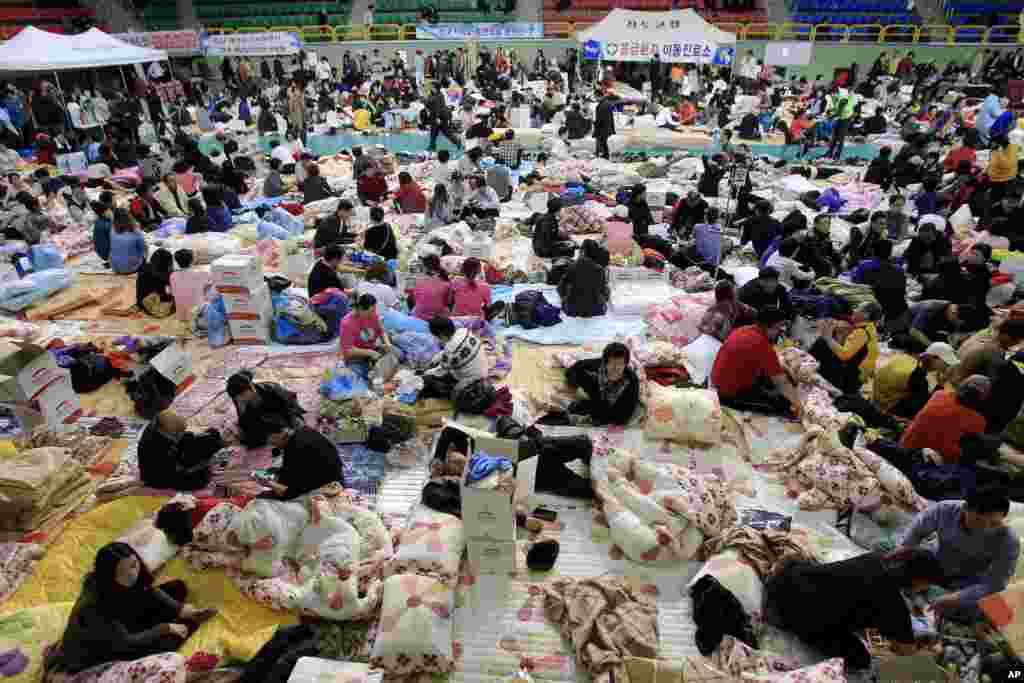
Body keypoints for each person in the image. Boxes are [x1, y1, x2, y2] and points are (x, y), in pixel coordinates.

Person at [43, 543, 217, 678]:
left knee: (176, 588)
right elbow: (126, 642)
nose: (132, 574)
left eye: (134, 565)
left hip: (120, 621)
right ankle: (181, 624)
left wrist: (181, 609)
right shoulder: (94, 605)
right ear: (109, 575)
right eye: (123, 572)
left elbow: (146, 589)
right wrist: (166, 627)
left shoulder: (122, 581)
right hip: (103, 649)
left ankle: (182, 618)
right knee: (171, 637)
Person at [764, 549, 944, 671]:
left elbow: (866, 606)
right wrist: (934, 651)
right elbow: (908, 652)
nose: (925, 589)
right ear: (919, 580)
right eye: (927, 583)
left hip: (786, 581)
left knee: (846, 603)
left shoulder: (874, 559)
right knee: (861, 659)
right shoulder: (893, 606)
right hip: (797, 615)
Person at [898, 488, 1020, 621]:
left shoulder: (1008, 540)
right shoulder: (945, 510)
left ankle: (931, 595)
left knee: (1001, 615)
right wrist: (905, 548)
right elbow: (915, 533)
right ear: (965, 508)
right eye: (978, 521)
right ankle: (925, 591)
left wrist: (956, 598)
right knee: (900, 558)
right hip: (938, 563)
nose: (985, 529)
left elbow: (995, 584)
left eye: (994, 524)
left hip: (970, 583)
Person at [711, 306, 802, 417]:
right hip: (728, 394)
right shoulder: (761, 344)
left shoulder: (744, 330)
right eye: (779, 328)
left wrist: (784, 370)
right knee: (783, 405)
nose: (781, 331)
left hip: (720, 381)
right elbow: (781, 383)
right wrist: (798, 403)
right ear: (769, 327)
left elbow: (773, 364)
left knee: (774, 383)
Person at [900, 375, 990, 464]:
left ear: (961, 386)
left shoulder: (939, 394)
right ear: (983, 398)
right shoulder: (979, 421)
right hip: (932, 465)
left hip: (904, 449)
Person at [137, 410, 223, 490]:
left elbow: (184, 437)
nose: (180, 435)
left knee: (210, 437)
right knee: (199, 478)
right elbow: (171, 471)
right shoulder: (153, 446)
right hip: (160, 476)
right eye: (177, 434)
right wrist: (196, 467)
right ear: (164, 433)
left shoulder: (163, 427)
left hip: (173, 456)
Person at [809, 302, 882, 394]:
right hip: (858, 373)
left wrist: (828, 337)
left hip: (852, 378)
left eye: (858, 308)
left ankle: (806, 370)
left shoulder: (861, 332)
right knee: (825, 344)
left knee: (822, 344)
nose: (854, 311)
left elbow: (844, 355)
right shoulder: (870, 328)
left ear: (866, 315)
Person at [260, 423, 345, 500]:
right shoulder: (303, 431)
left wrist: (268, 483)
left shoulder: (295, 448)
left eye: (272, 441)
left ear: (278, 435)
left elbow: (289, 493)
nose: (272, 445)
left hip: (328, 492)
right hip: (336, 478)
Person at [565, 342, 641, 426]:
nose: (615, 368)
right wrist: (576, 387)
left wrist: (595, 413)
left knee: (609, 417)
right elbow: (574, 368)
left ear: (625, 364)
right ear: (605, 362)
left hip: (614, 406)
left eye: (620, 364)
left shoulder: (632, 381)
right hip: (599, 392)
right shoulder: (599, 364)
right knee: (578, 374)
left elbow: (624, 416)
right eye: (612, 363)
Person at [423, 315, 488, 399]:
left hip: (474, 380)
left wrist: (426, 372)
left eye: (436, 337)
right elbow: (451, 350)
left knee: (432, 381)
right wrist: (435, 359)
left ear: (441, 335)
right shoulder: (464, 331)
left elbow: (440, 371)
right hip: (483, 369)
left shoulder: (450, 349)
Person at [893, 300, 973, 353]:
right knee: (918, 345)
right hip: (907, 327)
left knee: (943, 343)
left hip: (926, 328)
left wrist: (953, 345)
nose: (955, 323)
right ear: (953, 312)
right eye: (955, 321)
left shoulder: (952, 310)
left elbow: (954, 332)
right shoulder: (930, 308)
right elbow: (914, 331)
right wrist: (933, 346)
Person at [558, 239, 610, 318]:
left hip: (572, 309)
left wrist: (565, 298)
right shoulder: (599, 269)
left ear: (583, 251)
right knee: (606, 288)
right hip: (595, 309)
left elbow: (560, 288)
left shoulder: (573, 266)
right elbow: (603, 292)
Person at [339, 293, 393, 366]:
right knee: (362, 372)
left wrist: (387, 344)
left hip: (372, 348)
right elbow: (348, 349)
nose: (373, 313)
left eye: (374, 310)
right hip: (356, 356)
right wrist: (370, 352)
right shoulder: (347, 323)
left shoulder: (373, 315)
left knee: (397, 354)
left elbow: (381, 331)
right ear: (360, 309)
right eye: (371, 311)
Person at [411, 254, 453, 320]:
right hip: (438, 318)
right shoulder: (447, 283)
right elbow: (448, 302)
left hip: (420, 317)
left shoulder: (418, 281)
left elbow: (416, 300)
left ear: (425, 267)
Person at [109, 208, 147, 275]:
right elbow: (143, 249)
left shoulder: (112, 230)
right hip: (131, 268)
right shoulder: (135, 232)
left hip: (115, 267)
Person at [593, 94, 615, 160]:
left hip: (602, 128)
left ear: (600, 96)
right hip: (606, 127)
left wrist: (595, 123)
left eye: (596, 97)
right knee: (603, 141)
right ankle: (603, 154)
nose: (595, 98)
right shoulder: (606, 103)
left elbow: (600, 118)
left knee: (602, 142)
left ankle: (605, 155)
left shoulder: (602, 105)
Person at [92, 199, 113, 267]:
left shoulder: (99, 222)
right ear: (104, 212)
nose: (110, 212)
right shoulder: (106, 224)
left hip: (102, 253)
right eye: (109, 210)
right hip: (107, 254)